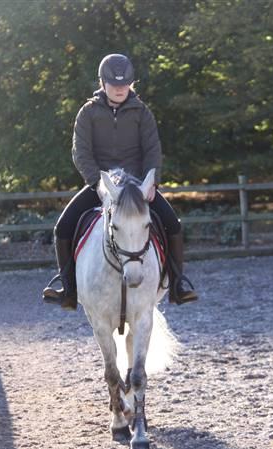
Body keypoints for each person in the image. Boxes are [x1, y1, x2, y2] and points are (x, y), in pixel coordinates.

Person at [42, 53, 198, 310]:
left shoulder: (142, 112)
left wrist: (152, 181)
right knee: (63, 227)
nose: (119, 89)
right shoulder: (88, 113)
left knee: (173, 224)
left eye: (124, 84)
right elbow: (81, 153)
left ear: (131, 83)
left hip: (137, 186)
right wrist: (97, 183)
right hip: (102, 186)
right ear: (102, 83)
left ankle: (178, 285)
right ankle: (68, 289)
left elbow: (152, 150)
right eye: (114, 84)